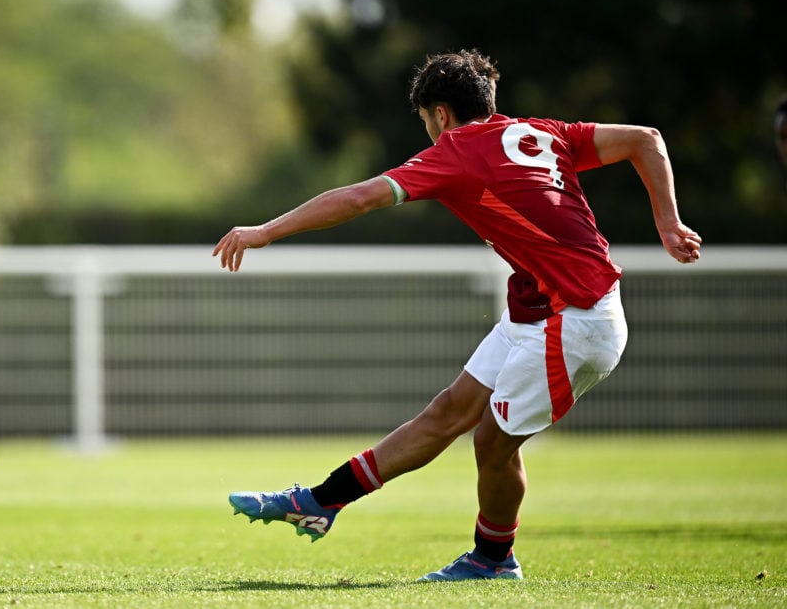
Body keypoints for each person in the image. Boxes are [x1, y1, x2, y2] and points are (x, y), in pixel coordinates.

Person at [212, 48, 701, 582]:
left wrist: (264, 232)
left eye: (425, 121)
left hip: (575, 319)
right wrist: (669, 225)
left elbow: (357, 198)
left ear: (440, 114)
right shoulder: (543, 133)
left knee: (492, 441)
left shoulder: (456, 152)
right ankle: (320, 500)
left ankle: (492, 558)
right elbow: (645, 139)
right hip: (540, 312)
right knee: (448, 414)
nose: (428, 132)